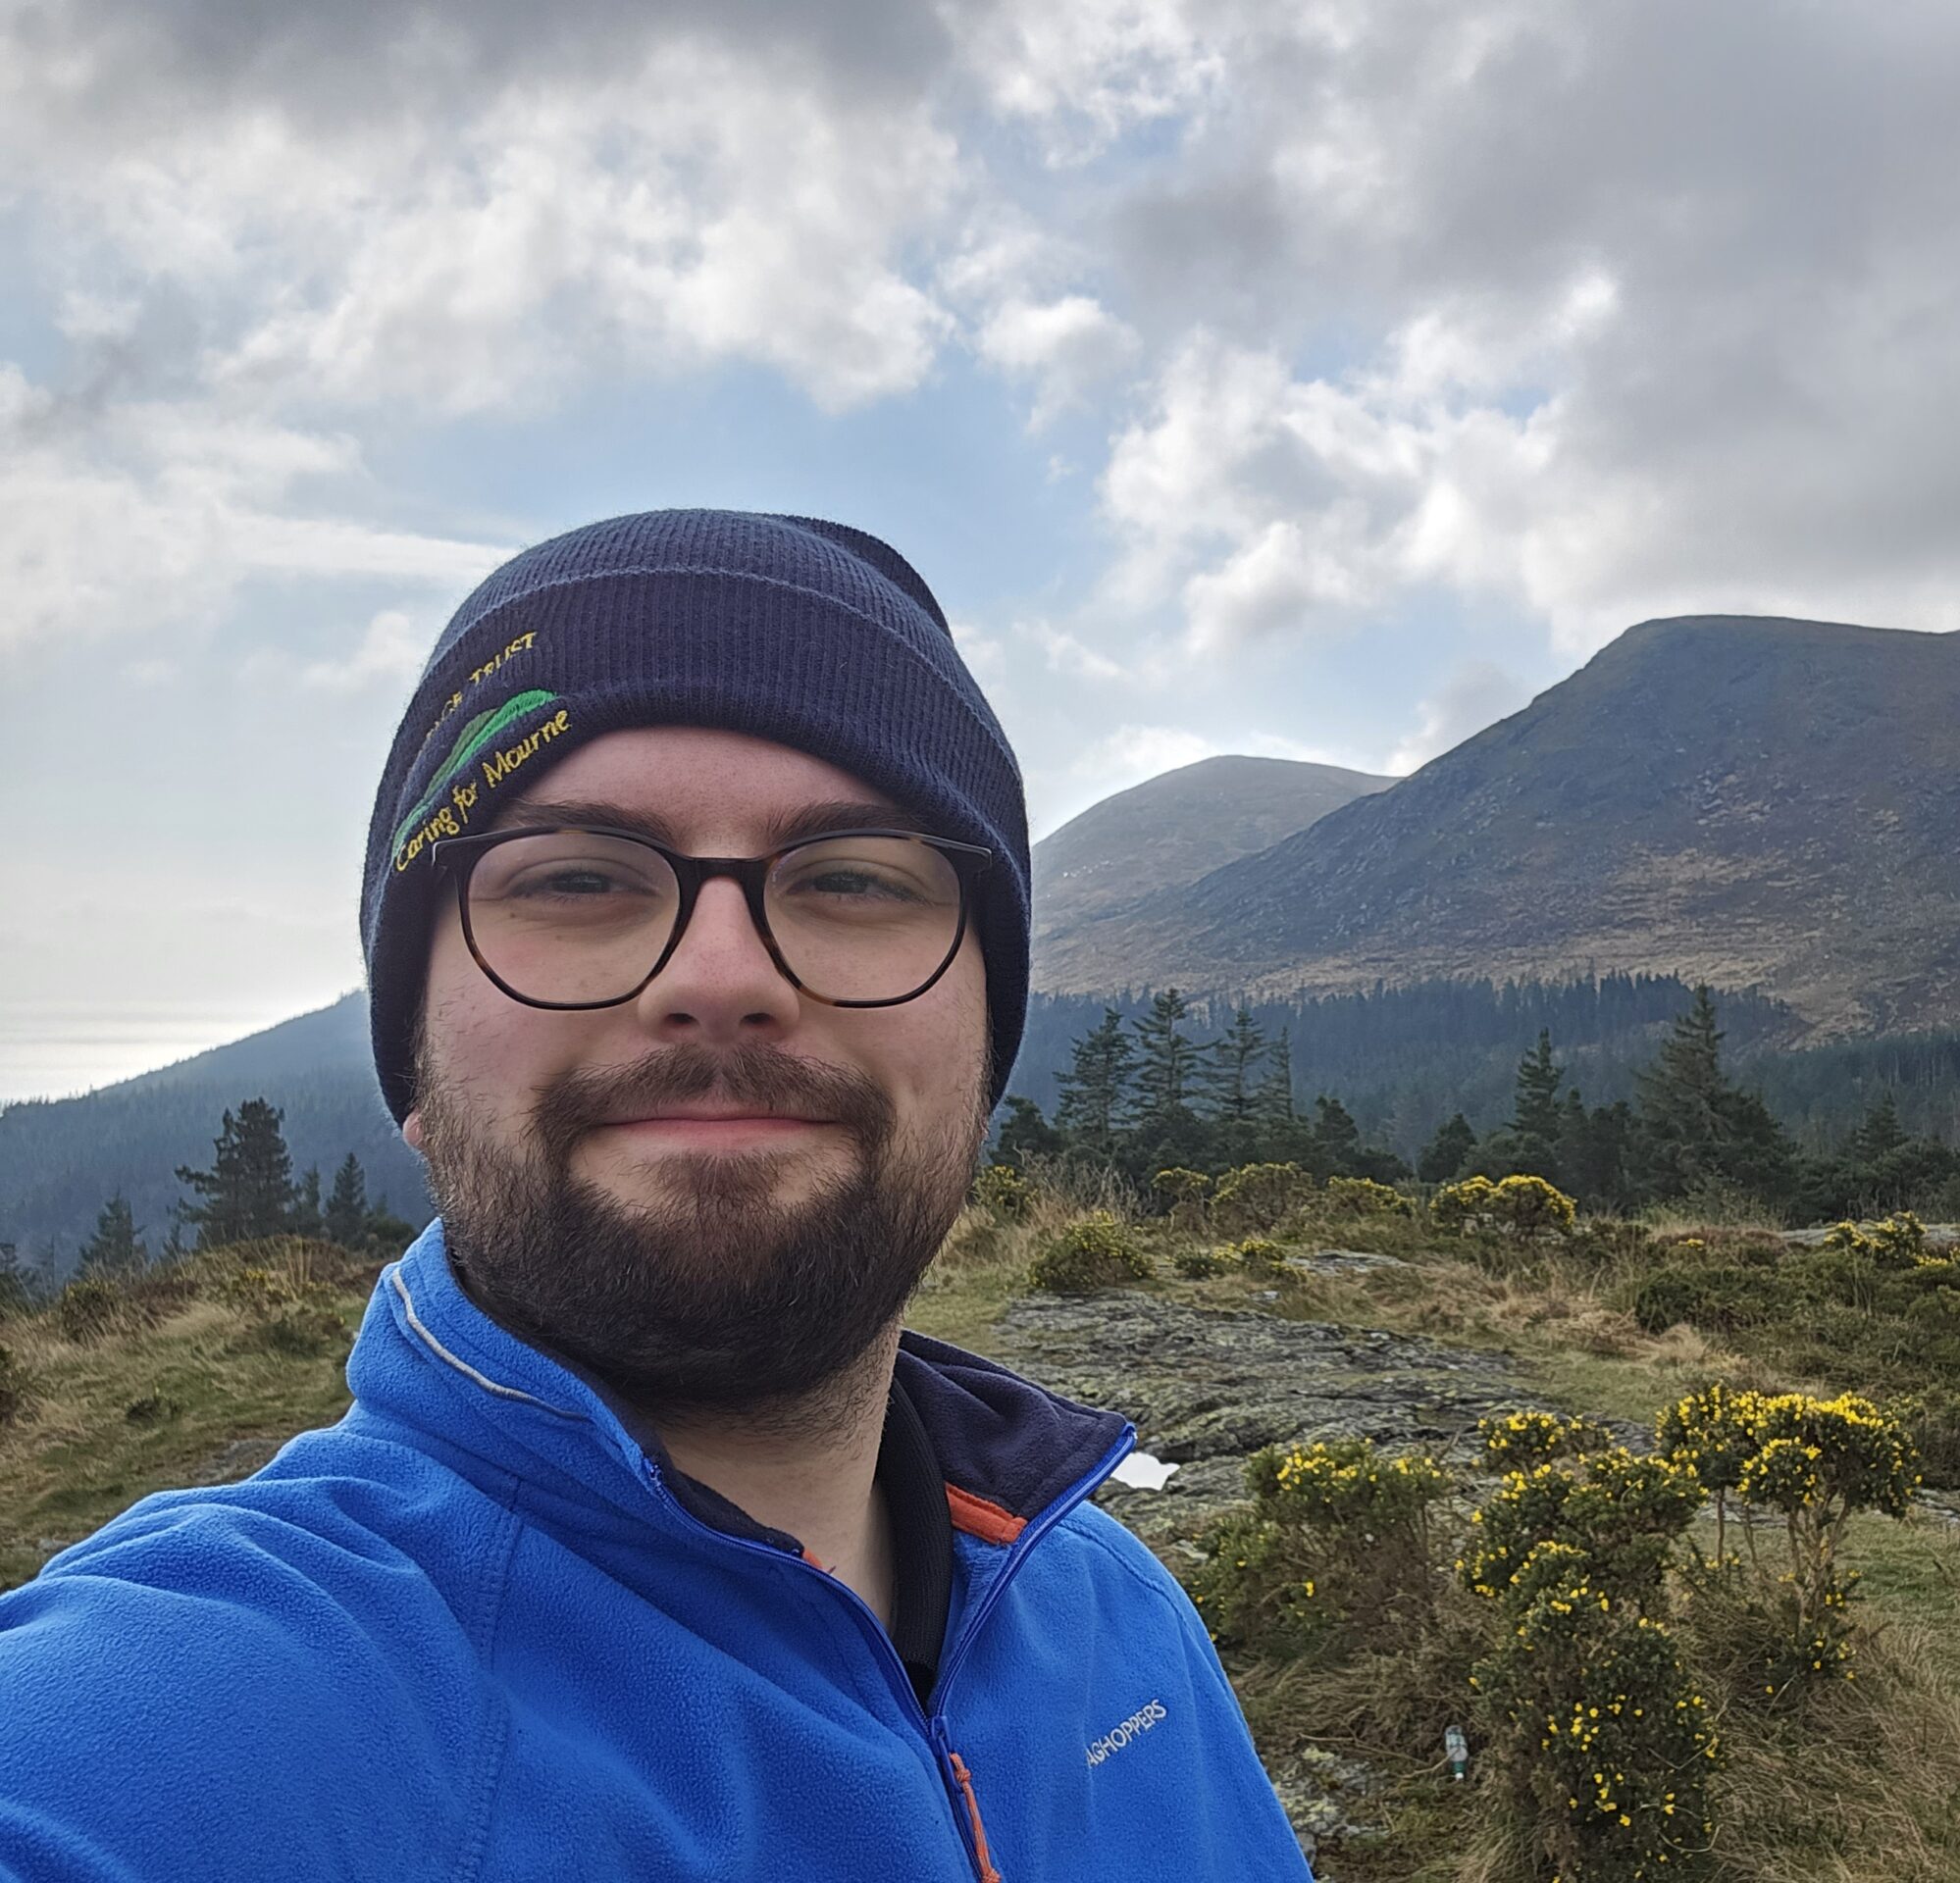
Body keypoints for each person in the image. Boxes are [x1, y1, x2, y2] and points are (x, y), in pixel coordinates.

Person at [0, 511, 1314, 1881]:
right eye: (576, 877)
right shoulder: (185, 1731)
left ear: (985, 1049)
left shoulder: (1116, 1622)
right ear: (413, 1060)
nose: (722, 976)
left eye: (854, 878)